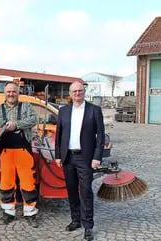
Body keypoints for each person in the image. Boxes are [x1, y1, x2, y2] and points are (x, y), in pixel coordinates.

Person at [54, 81, 105, 241]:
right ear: (70, 93)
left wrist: (97, 157)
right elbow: (59, 135)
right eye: (74, 91)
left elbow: (101, 136)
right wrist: (57, 155)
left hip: (86, 157)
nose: (77, 93)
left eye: (80, 90)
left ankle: (88, 225)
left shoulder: (94, 110)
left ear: (84, 92)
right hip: (68, 157)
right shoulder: (63, 111)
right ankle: (75, 220)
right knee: (71, 190)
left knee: (86, 191)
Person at [0, 82, 39, 227]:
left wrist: (16, 125)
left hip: (23, 150)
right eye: (9, 92)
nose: (11, 94)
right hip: (5, 152)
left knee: (28, 182)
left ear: (18, 92)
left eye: (14, 91)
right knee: (6, 182)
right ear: (5, 93)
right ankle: (8, 212)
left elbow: (34, 119)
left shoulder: (27, 106)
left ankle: (30, 213)